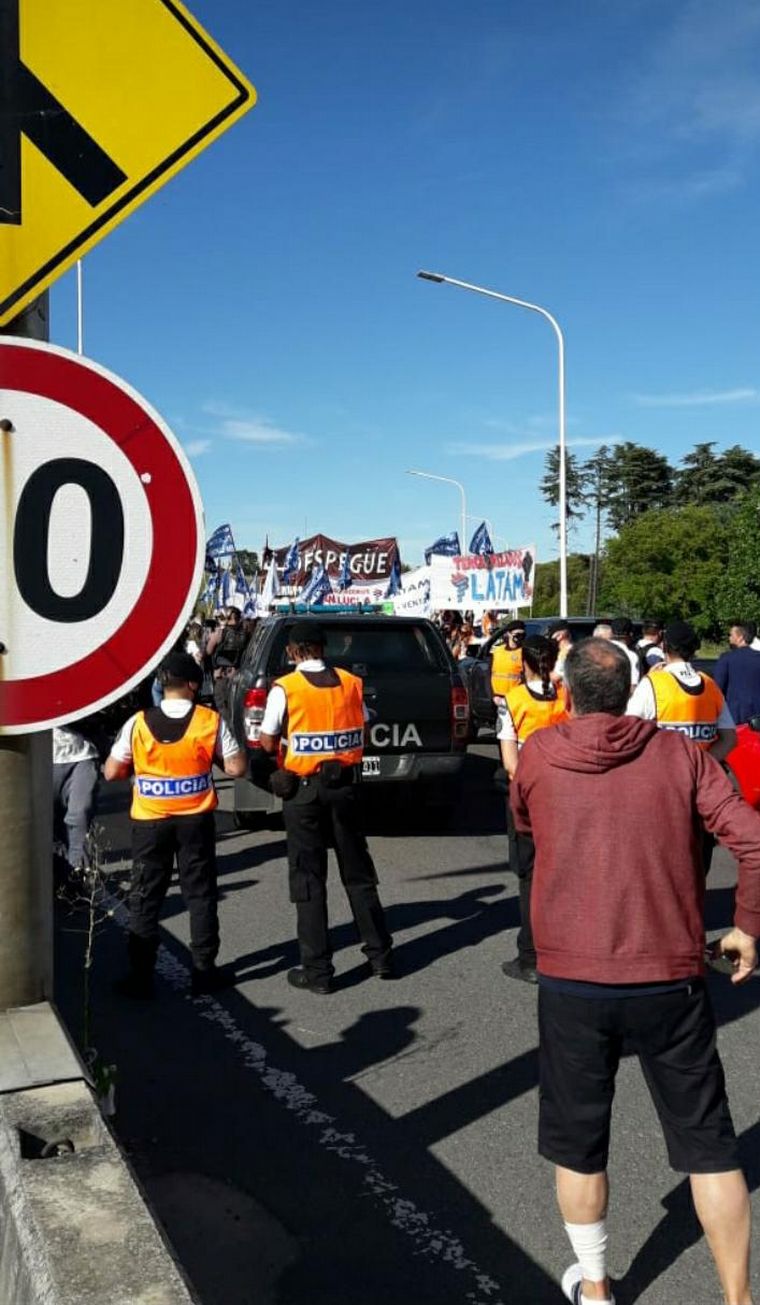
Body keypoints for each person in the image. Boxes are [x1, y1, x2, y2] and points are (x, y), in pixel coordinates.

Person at [511, 637, 760, 1305]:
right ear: (631, 691)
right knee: (709, 1144)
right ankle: (738, 1297)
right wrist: (747, 925)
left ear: (567, 693)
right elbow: (752, 836)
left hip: (572, 978)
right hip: (669, 975)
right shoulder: (681, 755)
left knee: (580, 1142)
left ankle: (595, 1286)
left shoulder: (538, 753)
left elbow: (526, 822)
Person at [259, 620, 393, 994]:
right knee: (359, 875)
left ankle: (317, 971)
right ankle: (381, 957)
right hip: (346, 789)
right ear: (324, 647)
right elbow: (364, 731)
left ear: (293, 651)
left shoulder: (286, 688)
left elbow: (268, 742)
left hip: (304, 794)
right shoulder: (351, 682)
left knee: (309, 879)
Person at [104, 651, 246, 998]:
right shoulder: (209, 721)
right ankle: (203, 971)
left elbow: (111, 771)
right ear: (193, 685)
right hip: (194, 820)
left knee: (146, 897)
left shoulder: (137, 723)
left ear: (162, 685)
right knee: (199, 894)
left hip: (150, 822)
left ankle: (141, 978)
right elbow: (236, 768)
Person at [496, 635, 568, 984]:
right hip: (566, 792)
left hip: (528, 793)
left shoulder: (513, 700)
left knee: (529, 875)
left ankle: (530, 957)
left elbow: (510, 758)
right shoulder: (568, 695)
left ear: (522, 663)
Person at [53, 722, 103, 873]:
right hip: (39, 757)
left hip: (82, 754)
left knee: (80, 813)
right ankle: (60, 879)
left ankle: (81, 874)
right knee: (49, 824)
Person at [206, 607, 248, 722]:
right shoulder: (246, 634)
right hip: (239, 674)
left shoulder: (220, 633)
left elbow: (208, 651)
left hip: (222, 674)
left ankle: (226, 727)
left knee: (220, 705)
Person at [713, 623, 760, 726]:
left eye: (731, 635)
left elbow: (717, 689)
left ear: (740, 638)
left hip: (735, 717)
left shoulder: (727, 659)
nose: (729, 638)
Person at [490, 619, 526, 702]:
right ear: (509, 634)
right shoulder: (498, 651)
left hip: (516, 697)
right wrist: (493, 695)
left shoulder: (524, 652)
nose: (520, 637)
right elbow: (490, 673)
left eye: (523, 635)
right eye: (517, 634)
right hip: (498, 698)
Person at [609, 616, 640, 690]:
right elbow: (633, 686)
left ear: (611, 632)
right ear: (631, 634)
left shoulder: (598, 650)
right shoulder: (630, 656)